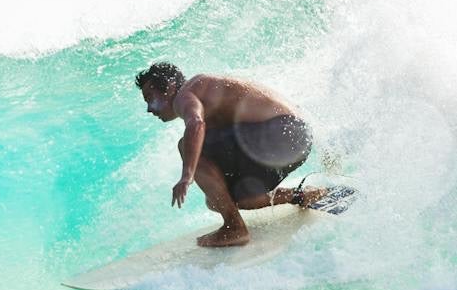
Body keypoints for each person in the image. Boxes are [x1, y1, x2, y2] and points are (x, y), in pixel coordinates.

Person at [134, 61, 326, 247]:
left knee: (186, 145)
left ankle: (234, 227)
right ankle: (300, 195)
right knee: (223, 200)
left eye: (150, 97)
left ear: (169, 87)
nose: (149, 108)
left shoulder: (185, 93)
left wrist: (186, 176)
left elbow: (196, 124)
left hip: (282, 133)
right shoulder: (207, 96)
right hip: (296, 141)